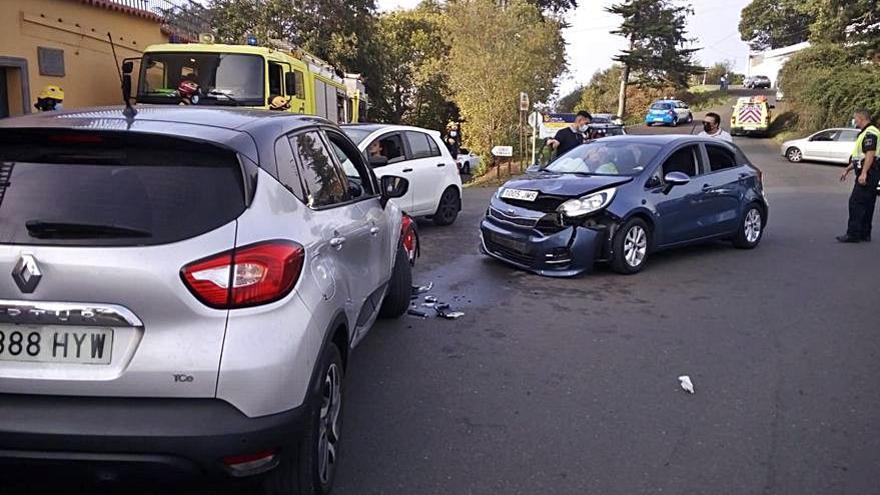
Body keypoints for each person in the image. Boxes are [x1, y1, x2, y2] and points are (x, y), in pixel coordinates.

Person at [837, 109, 879, 243]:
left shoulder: (870, 133)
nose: (854, 121)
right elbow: (859, 156)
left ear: (862, 118)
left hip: (869, 172)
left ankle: (853, 234)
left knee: (856, 202)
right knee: (868, 203)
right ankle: (864, 233)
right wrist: (848, 169)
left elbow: (870, 154)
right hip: (871, 172)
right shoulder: (869, 132)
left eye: (855, 118)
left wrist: (864, 173)